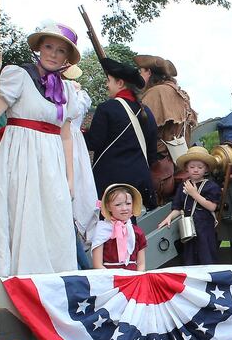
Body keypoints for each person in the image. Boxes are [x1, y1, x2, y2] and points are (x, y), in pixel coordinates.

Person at [0, 22, 81, 304]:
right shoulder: (18, 75)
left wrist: (69, 179)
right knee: (21, 220)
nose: (53, 54)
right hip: (21, 158)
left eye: (60, 51)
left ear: (67, 58)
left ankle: (52, 298)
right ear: (38, 48)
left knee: (54, 226)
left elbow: (66, 136)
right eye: (48, 47)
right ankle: (14, 294)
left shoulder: (67, 91)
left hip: (52, 163)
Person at [86, 57, 158, 209]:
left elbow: (94, 142)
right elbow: (152, 154)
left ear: (120, 83)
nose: (106, 85)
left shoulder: (106, 108)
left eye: (109, 80)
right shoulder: (148, 113)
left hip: (111, 183)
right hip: (139, 182)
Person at [133, 55, 198, 202]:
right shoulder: (181, 94)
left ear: (149, 73)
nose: (139, 76)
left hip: (159, 166)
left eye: (141, 71)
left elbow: (139, 129)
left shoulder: (156, 93)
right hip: (177, 162)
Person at [158, 146, 222, 265]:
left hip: (205, 229)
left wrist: (194, 193)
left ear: (206, 169)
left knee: (207, 257)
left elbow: (212, 207)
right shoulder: (183, 185)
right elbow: (177, 207)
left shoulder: (211, 186)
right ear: (187, 168)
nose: (196, 170)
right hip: (189, 228)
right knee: (189, 259)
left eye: (200, 167)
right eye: (192, 167)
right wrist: (169, 218)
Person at [61, 65, 99, 249]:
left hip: (68, 140)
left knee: (78, 185)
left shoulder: (77, 94)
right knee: (80, 184)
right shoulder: (80, 94)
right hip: (70, 140)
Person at [91, 184, 147, 271]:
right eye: (118, 205)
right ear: (108, 206)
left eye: (128, 203)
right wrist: (115, 278)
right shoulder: (101, 231)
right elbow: (97, 264)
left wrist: (136, 277)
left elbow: (141, 263)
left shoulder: (137, 232)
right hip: (110, 279)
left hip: (133, 278)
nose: (124, 208)